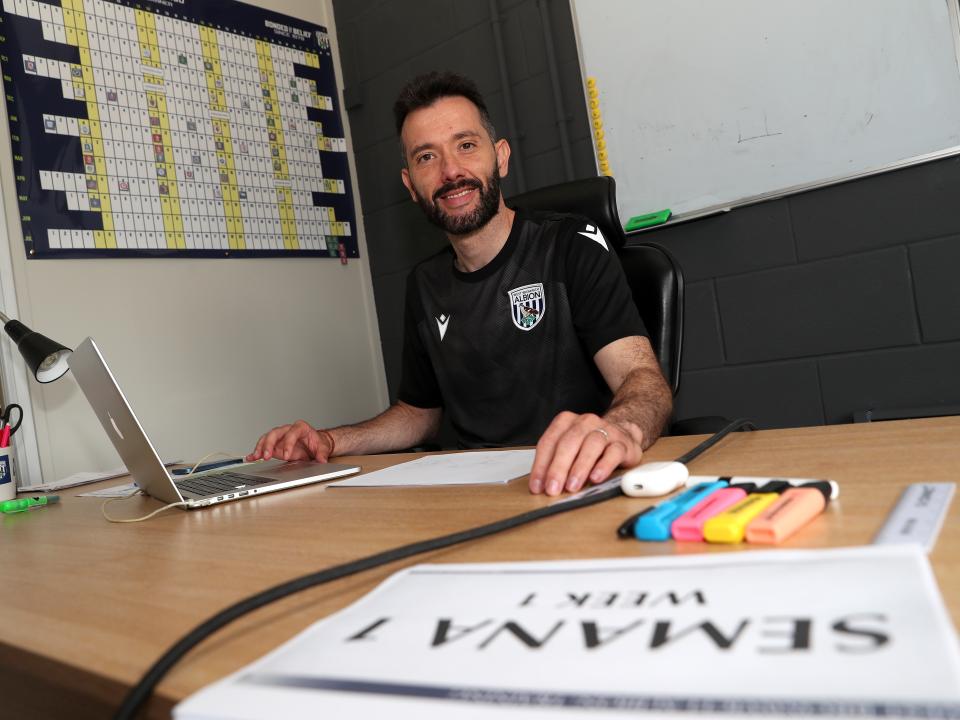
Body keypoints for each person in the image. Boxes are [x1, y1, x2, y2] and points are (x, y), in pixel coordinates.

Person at [248, 71, 673, 496]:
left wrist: (617, 430)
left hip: (577, 480)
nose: (451, 171)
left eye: (466, 146)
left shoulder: (570, 244)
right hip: (476, 492)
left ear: (501, 157)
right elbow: (419, 413)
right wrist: (329, 440)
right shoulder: (425, 283)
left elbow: (642, 378)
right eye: (426, 157)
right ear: (410, 184)